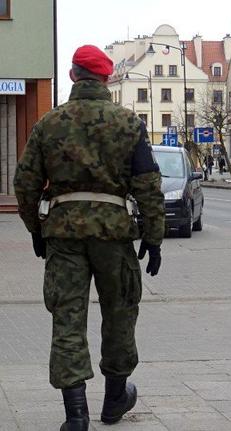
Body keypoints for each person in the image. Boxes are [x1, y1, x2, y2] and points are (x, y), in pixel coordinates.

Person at [13, 45, 165, 430]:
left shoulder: (49, 123)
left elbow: (25, 183)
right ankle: (115, 399)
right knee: (120, 313)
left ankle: (76, 416)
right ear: (106, 78)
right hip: (114, 235)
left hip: (63, 235)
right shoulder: (129, 123)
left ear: (72, 76)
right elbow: (147, 184)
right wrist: (154, 236)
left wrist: (36, 229)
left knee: (67, 318)